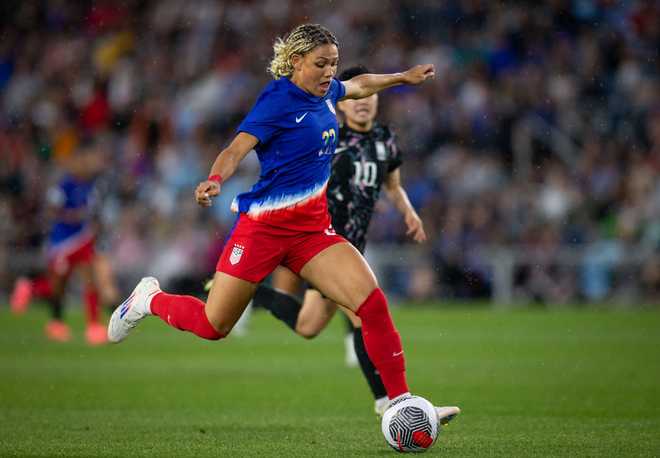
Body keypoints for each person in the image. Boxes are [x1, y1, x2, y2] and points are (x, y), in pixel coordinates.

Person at [108, 23, 459, 425]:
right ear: (296, 61)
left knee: (372, 304)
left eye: (334, 64)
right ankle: (148, 300)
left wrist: (402, 78)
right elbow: (236, 147)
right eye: (321, 64)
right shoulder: (277, 100)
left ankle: (401, 403)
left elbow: (358, 86)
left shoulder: (327, 91)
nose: (330, 72)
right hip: (262, 230)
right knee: (212, 325)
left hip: (312, 233)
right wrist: (214, 179)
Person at [251, 64, 427, 416]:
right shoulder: (329, 138)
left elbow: (392, 185)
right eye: (357, 100)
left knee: (308, 326)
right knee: (365, 317)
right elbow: (302, 181)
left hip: (355, 245)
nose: (364, 104)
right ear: (343, 104)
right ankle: (389, 400)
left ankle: (252, 292)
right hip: (325, 246)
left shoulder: (385, 140)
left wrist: (408, 211)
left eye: (372, 97)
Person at [43, 142, 110, 345]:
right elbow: (52, 211)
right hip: (63, 243)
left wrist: (96, 226)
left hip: (82, 240)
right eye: (83, 161)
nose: (87, 165)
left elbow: (93, 212)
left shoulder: (91, 186)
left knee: (90, 280)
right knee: (58, 286)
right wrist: (73, 216)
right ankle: (56, 323)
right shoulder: (64, 185)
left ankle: (94, 326)